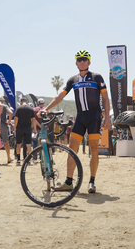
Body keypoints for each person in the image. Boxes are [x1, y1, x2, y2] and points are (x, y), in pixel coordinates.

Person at [41, 50, 111, 193]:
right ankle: (68, 182)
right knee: (71, 149)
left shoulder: (97, 77)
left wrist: (108, 117)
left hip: (95, 116)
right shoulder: (72, 80)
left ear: (89, 62)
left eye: (85, 59)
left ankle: (91, 182)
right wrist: (47, 108)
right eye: (79, 59)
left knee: (93, 149)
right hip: (80, 117)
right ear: (76, 63)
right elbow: (60, 96)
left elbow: (105, 98)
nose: (82, 61)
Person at [14, 97, 37, 165]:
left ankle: (18, 160)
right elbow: (33, 120)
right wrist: (35, 129)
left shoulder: (19, 108)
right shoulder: (30, 109)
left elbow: (16, 118)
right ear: (26, 102)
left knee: (18, 144)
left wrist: (15, 126)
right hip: (28, 128)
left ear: (21, 102)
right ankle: (28, 160)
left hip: (20, 128)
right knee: (28, 145)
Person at [0, 96, 14, 163]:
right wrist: (9, 122)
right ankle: (8, 158)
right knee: (6, 142)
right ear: (2, 100)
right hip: (3, 125)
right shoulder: (4, 106)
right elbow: (11, 113)